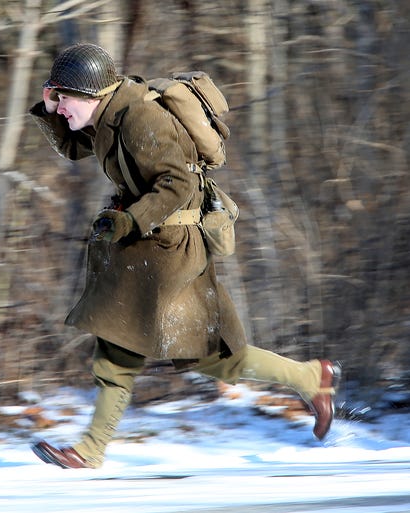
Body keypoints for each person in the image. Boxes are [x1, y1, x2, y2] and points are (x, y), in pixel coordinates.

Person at [29, 43, 341, 470]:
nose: (60, 107)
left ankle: (90, 450)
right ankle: (312, 378)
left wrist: (128, 221)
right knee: (211, 358)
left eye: (62, 99)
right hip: (152, 246)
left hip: (170, 248)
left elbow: (175, 184)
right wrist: (48, 109)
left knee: (125, 343)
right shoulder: (107, 115)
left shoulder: (139, 118)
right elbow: (71, 148)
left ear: (89, 95)